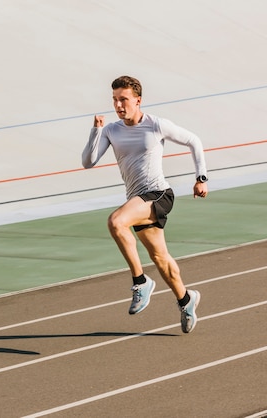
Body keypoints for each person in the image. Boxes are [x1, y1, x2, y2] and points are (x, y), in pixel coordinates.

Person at [81, 75, 208, 333]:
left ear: (138, 100)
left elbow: (194, 141)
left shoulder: (155, 125)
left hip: (158, 194)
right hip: (137, 199)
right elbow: (88, 161)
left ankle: (140, 281)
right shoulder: (111, 130)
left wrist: (201, 178)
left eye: (124, 99)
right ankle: (186, 299)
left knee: (116, 222)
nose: (118, 105)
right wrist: (95, 130)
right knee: (160, 257)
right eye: (115, 100)